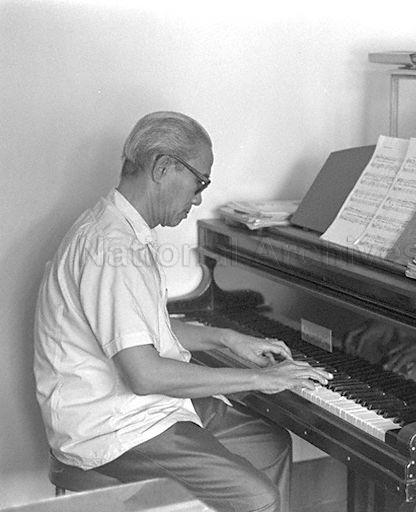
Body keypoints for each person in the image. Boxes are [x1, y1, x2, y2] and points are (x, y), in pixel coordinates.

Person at [33, 111, 332, 512]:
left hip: (142, 411)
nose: (199, 199)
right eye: (200, 182)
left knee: (267, 443)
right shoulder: (110, 247)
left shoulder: (122, 229)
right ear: (162, 167)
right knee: (257, 498)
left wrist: (228, 338)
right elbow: (145, 374)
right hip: (114, 427)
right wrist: (259, 379)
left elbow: (142, 329)